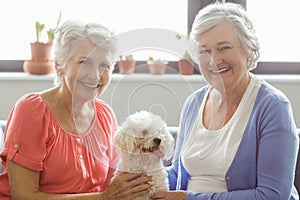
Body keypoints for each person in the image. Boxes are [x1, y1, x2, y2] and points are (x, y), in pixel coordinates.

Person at [153, 2, 299, 200]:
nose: (213, 60)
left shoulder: (273, 107)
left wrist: (188, 199)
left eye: (224, 48)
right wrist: (143, 179)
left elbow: (271, 196)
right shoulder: (194, 103)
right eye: (204, 51)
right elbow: (178, 175)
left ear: (249, 51)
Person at [0, 20, 151, 200]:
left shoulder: (105, 115)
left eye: (104, 65)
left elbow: (114, 185)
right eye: (84, 62)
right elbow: (24, 196)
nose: (95, 76)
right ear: (59, 65)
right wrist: (103, 198)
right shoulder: (32, 110)